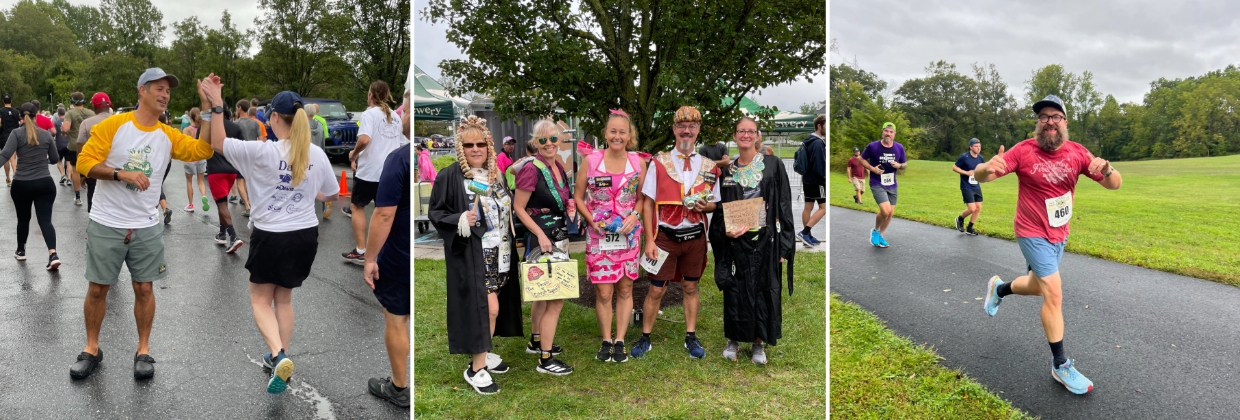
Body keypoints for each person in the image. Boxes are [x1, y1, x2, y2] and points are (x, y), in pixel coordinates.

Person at [69, 67, 215, 380]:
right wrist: (120, 173)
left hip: (146, 224)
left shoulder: (168, 134)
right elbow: (83, 163)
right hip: (107, 221)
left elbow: (203, 149)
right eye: (158, 88)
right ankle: (92, 348)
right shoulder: (114, 125)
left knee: (144, 289)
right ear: (142, 91)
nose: (164, 95)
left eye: (168, 90)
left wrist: (207, 107)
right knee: (97, 290)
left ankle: (144, 349)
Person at [201, 82, 341, 394]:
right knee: (284, 298)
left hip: (271, 235)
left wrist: (216, 104)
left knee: (260, 300)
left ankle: (279, 355)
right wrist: (306, 189)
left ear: (274, 118)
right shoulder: (316, 154)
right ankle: (279, 355)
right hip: (305, 235)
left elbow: (218, 141)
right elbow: (331, 193)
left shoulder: (261, 151)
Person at [978, 95, 1121, 395]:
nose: (1050, 121)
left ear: (1065, 122)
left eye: (1056, 116)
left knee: (1035, 286)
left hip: (1059, 233)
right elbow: (984, 176)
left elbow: (1115, 184)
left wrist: (1107, 170)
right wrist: (984, 169)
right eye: (1044, 116)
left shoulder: (1077, 153)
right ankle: (1061, 365)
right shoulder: (1023, 150)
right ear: (1038, 123)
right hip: (1030, 232)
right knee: (1053, 293)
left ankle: (1000, 289)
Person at [429, 115, 523, 394]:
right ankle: (476, 368)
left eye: (480, 144)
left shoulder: (497, 175)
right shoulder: (449, 176)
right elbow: (437, 212)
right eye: (468, 145)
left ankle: (483, 349)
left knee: (494, 308)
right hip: (473, 255)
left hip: (500, 254)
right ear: (461, 148)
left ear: (489, 146)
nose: (475, 149)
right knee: (487, 308)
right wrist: (459, 218)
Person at [631, 106, 721, 360]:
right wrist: (649, 240)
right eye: (682, 126)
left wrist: (709, 206)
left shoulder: (709, 166)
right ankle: (645, 337)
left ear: (698, 130)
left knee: (690, 287)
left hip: (695, 238)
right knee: (656, 289)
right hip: (664, 238)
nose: (686, 131)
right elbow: (648, 202)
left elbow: (716, 202)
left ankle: (691, 337)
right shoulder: (659, 162)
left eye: (692, 127)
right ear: (674, 129)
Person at [709, 117, 795, 364]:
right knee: (735, 290)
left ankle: (758, 343)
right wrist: (725, 231)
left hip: (765, 240)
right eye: (741, 131)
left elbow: (784, 205)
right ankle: (734, 339)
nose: (746, 135)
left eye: (751, 131)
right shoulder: (726, 172)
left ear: (757, 135)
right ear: (734, 136)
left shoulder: (773, 165)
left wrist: (785, 244)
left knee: (763, 288)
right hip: (737, 242)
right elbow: (719, 210)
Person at [573, 109, 645, 363]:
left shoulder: (638, 162)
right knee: (604, 293)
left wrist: (635, 215)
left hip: (628, 236)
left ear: (629, 136)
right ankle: (606, 340)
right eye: (612, 131)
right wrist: (592, 221)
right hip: (599, 236)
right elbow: (578, 197)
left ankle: (621, 341)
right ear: (605, 134)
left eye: (622, 132)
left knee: (625, 290)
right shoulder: (591, 161)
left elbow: (641, 199)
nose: (617, 136)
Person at [364, 89, 413, 407]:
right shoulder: (416, 157)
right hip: (413, 252)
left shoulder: (399, 158)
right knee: (406, 315)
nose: (402, 113)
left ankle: (399, 387)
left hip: (398, 252)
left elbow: (383, 214)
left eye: (406, 108)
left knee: (396, 318)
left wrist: (369, 258)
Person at [514, 119, 574, 375]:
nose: (549, 144)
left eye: (553, 139)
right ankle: (546, 360)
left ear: (559, 140)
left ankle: (537, 341)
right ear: (535, 142)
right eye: (543, 140)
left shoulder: (557, 165)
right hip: (543, 239)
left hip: (557, 236)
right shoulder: (531, 168)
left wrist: (569, 208)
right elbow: (518, 207)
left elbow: (560, 198)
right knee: (555, 298)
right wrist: (539, 234)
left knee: (543, 294)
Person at [342, 80, 406, 265]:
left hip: (370, 170)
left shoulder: (369, 114)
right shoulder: (396, 116)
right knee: (385, 211)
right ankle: (384, 251)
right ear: (387, 96)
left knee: (357, 207)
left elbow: (365, 138)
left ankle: (361, 250)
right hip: (391, 171)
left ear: (371, 95)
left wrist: (354, 154)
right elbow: (402, 145)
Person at [2, 102, 61, 269]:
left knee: (23, 219)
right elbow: (55, 159)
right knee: (45, 220)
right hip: (45, 183)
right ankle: (53, 254)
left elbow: (5, 155)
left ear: (20, 117)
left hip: (22, 184)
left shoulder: (16, 134)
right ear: (37, 116)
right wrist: (45, 161)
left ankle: (21, 251)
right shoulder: (46, 135)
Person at [204, 106, 246, 253]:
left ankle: (233, 236)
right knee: (222, 202)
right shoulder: (235, 127)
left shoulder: (208, 127)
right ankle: (222, 234)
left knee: (222, 205)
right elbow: (242, 148)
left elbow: (198, 143)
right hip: (232, 171)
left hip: (216, 170)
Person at [858, 122, 906, 248]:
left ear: (894, 134)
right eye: (886, 131)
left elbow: (904, 164)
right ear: (882, 132)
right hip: (877, 182)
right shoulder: (872, 146)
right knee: (885, 211)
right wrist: (872, 169)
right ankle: (875, 230)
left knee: (890, 214)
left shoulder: (899, 147)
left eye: (891, 132)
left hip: (892, 183)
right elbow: (861, 159)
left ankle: (880, 235)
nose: (888, 134)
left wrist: (899, 165)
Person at [76, 93, 114, 213]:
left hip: (94, 169)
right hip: (118, 169)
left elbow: (80, 150)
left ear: (94, 107)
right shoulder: (121, 122)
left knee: (94, 205)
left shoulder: (86, 123)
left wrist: (82, 174)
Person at [799, 114, 827, 245]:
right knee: (823, 208)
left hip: (807, 179)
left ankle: (807, 236)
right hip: (817, 180)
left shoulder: (808, 140)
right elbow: (819, 164)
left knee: (808, 207)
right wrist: (824, 178)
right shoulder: (817, 142)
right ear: (819, 126)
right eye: (827, 125)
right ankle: (804, 233)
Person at [65, 92, 95, 206]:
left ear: (72, 101)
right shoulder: (91, 113)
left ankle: (78, 197)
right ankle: (93, 194)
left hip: (75, 146)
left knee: (76, 170)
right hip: (91, 146)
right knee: (92, 168)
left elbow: (66, 128)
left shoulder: (70, 113)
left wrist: (63, 132)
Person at [181, 108, 210, 213]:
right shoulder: (203, 129)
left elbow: (184, 145)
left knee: (189, 182)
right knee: (200, 181)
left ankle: (190, 204)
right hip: (201, 158)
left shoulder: (187, 130)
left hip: (190, 159)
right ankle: (203, 195)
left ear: (190, 117)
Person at [953, 138, 985, 236]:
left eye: (979, 146)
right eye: (976, 146)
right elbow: (954, 167)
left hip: (976, 185)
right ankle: (960, 219)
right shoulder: (964, 157)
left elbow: (982, 170)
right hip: (966, 186)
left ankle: (970, 228)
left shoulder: (980, 158)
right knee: (972, 209)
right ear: (970, 147)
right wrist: (966, 172)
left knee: (978, 207)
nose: (978, 148)